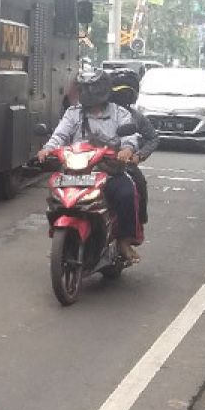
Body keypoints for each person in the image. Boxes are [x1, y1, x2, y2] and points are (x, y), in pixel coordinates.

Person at [38, 69, 145, 265]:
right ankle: (60, 239)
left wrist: (127, 149)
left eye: (90, 88)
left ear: (102, 89)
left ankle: (123, 241)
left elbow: (129, 137)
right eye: (83, 88)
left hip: (109, 171)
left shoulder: (118, 113)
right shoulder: (73, 113)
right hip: (77, 171)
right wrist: (48, 149)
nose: (86, 92)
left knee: (127, 193)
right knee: (55, 195)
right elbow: (60, 135)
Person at [107, 68, 161, 224]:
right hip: (94, 163)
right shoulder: (97, 112)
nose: (122, 96)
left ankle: (134, 228)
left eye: (127, 92)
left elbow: (153, 138)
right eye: (119, 92)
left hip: (123, 165)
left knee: (139, 185)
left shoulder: (137, 117)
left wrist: (139, 156)